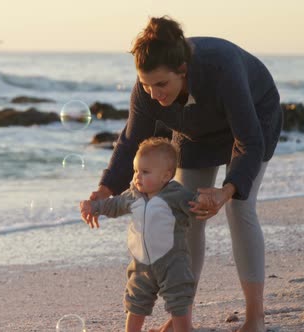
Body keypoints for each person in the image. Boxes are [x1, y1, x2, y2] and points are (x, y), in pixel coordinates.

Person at [89, 16, 283, 332]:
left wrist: (226, 190)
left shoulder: (221, 68)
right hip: (195, 132)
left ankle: (255, 317)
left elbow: (248, 141)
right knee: (185, 212)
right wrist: (104, 189)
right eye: (146, 84)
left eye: (161, 84)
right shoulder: (146, 93)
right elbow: (130, 143)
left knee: (239, 207)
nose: (154, 94)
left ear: (183, 70)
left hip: (255, 117)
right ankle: (183, 320)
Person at [81, 137, 204, 332]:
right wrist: (94, 207)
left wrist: (205, 201)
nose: (137, 176)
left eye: (145, 172)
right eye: (136, 170)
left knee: (179, 301)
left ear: (166, 176)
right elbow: (113, 205)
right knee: (135, 302)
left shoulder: (177, 195)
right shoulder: (133, 195)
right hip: (141, 264)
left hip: (173, 263)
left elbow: (197, 204)